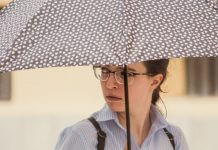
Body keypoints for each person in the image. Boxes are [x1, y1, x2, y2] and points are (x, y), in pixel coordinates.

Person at [55, 59, 189, 150]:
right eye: (105, 71)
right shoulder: (83, 136)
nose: (109, 84)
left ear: (154, 81)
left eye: (125, 74)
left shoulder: (173, 139)